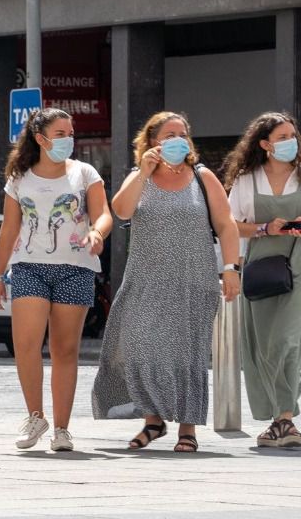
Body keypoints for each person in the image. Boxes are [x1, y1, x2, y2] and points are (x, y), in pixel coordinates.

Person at [92, 111, 240, 453]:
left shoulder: (202, 177)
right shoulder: (138, 177)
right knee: (141, 347)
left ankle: (187, 428)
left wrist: (230, 268)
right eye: (170, 134)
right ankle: (153, 419)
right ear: (151, 141)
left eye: (183, 134)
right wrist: (143, 171)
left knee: (187, 355)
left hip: (193, 279)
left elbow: (227, 224)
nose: (178, 139)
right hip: (146, 279)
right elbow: (122, 211)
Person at [0, 107, 112, 452]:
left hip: (76, 267)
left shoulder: (84, 173)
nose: (68, 139)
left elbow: (104, 213)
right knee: (27, 345)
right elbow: (9, 228)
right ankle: (35, 416)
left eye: (70, 133)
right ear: (41, 139)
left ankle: (61, 429)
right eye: (60, 134)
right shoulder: (19, 178)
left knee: (64, 350)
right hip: (29, 266)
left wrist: (96, 232)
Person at [222, 111, 301, 449]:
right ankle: (277, 421)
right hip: (260, 262)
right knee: (262, 344)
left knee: (286, 340)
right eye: (282, 137)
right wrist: (263, 229)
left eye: (292, 135)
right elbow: (229, 225)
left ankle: (285, 417)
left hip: (298, 261)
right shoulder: (246, 179)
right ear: (265, 144)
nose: (290, 142)